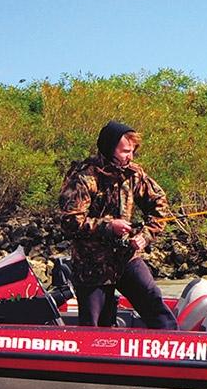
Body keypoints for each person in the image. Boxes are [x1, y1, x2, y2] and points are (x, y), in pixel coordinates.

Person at [58, 121, 177, 329]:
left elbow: (159, 204)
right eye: (125, 152)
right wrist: (109, 226)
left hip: (126, 257)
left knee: (155, 304)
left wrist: (145, 235)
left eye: (132, 152)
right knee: (93, 325)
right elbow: (70, 221)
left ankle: (175, 346)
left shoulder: (134, 174)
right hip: (91, 265)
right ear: (109, 149)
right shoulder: (84, 177)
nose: (130, 157)